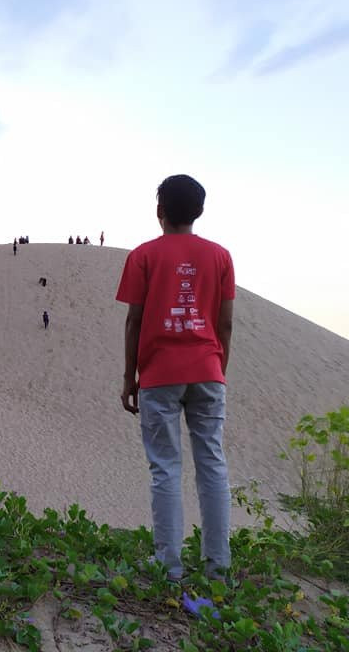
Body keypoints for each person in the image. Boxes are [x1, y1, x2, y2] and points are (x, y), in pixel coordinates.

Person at [116, 174, 235, 583]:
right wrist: (218, 370)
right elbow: (226, 324)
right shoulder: (220, 256)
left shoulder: (143, 256)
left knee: (165, 468)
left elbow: (134, 321)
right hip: (207, 370)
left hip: (159, 374)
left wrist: (130, 377)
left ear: (159, 211)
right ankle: (218, 568)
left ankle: (169, 567)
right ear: (198, 211)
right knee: (212, 466)